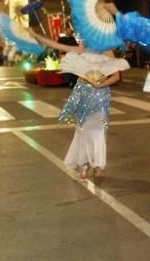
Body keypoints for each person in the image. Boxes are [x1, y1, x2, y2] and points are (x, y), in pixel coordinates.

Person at [33, 33, 124, 179]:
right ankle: (85, 163)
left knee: (99, 130)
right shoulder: (81, 49)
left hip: (100, 95)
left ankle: (98, 165)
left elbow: (116, 76)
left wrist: (100, 83)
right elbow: (58, 46)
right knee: (83, 129)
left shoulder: (107, 51)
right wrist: (37, 36)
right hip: (82, 92)